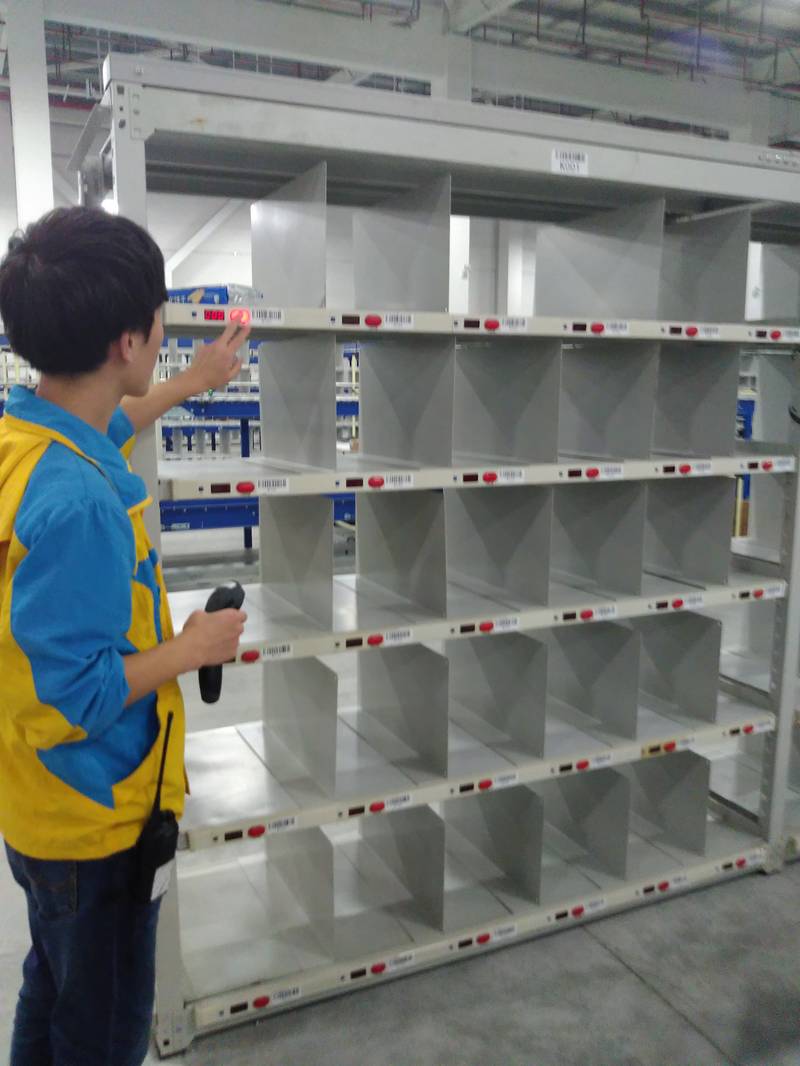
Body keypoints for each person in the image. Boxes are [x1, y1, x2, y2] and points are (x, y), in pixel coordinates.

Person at [0, 205, 250, 1066]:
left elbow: (113, 422)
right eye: (159, 320)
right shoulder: (78, 504)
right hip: (96, 822)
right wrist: (191, 648)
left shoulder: (27, 436)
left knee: (52, 985)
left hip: (36, 803)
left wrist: (192, 383)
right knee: (103, 1030)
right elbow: (78, 694)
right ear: (128, 342)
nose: (164, 334)